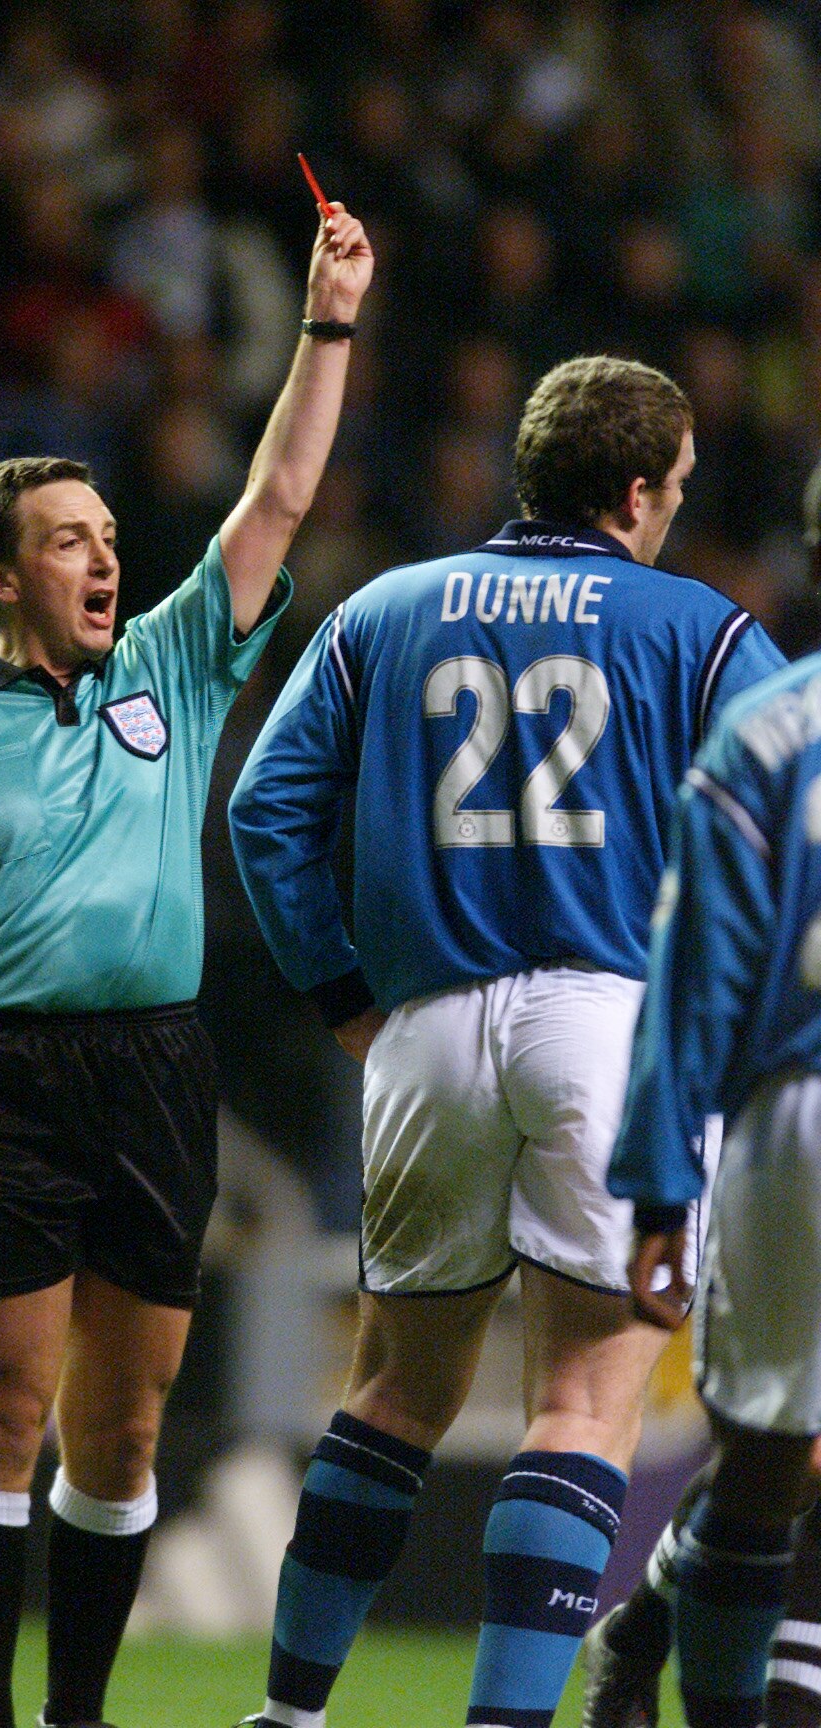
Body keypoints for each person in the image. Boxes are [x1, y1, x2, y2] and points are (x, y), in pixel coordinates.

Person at [0, 202, 374, 1728]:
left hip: (156, 1064)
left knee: (126, 1430)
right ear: (0, 579)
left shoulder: (169, 665)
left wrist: (328, 322)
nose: (104, 557)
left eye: (108, 537)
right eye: (68, 541)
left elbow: (278, 495)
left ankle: (77, 1717)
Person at [227, 353, 786, 1728]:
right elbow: (788, 815)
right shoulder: (700, 630)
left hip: (422, 1030)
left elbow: (263, 811)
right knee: (585, 1400)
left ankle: (290, 1714)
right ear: (643, 486)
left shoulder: (384, 609)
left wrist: (344, 994)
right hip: (608, 1025)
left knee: (393, 1393)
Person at [578, 450, 821, 1728]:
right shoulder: (772, 729)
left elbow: (692, 976)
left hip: (790, 1138)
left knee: (791, 1451)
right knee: (782, 1458)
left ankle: (666, 1607)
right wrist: (664, 1179)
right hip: (802, 1108)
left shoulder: (766, 730)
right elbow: (699, 979)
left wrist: (665, 1183)